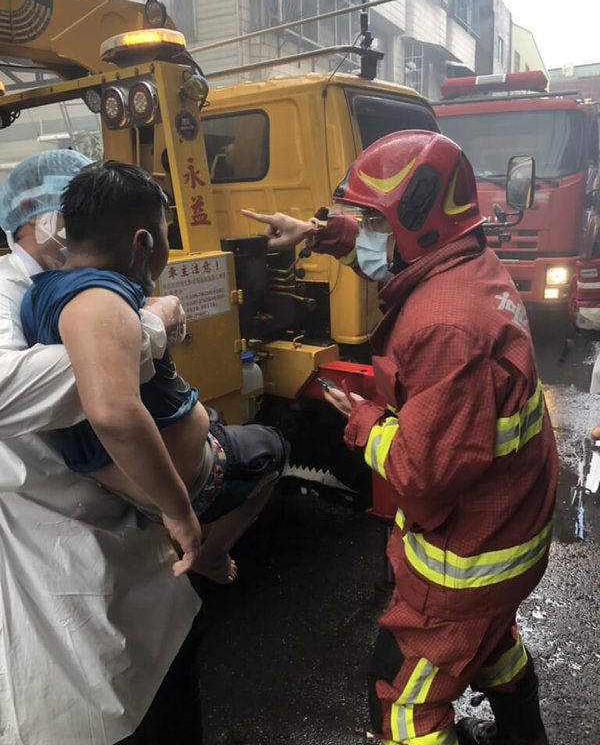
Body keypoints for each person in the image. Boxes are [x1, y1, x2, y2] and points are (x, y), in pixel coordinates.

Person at [243, 130, 558, 745]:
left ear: (415, 221)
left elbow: (423, 473)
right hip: (512, 532)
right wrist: (315, 231)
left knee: (402, 702)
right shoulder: (468, 263)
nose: (357, 232)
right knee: (491, 642)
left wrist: (363, 422)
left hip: (467, 563)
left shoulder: (446, 326)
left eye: (367, 220)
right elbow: (390, 248)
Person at [0, 149, 202, 744]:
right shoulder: (7, 293)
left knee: (166, 690)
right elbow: (95, 394)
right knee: (108, 715)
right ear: (42, 221)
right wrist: (147, 331)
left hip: (140, 558)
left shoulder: (69, 286)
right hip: (63, 568)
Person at [20, 158, 287, 586]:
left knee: (216, 421)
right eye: (167, 235)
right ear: (143, 242)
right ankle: (212, 554)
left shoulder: (49, 289)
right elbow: (114, 415)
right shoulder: (98, 300)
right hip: (192, 481)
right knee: (272, 449)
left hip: (130, 468)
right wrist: (179, 510)